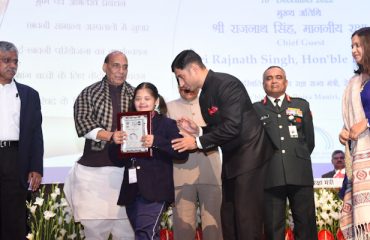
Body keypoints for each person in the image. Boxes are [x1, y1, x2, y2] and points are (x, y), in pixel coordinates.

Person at [170, 49, 274, 240]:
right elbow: (218, 129)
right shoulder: (204, 96)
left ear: (193, 68)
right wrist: (199, 131)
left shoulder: (227, 84)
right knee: (229, 217)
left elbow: (233, 126)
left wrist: (196, 142)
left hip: (250, 157)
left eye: (181, 77)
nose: (181, 84)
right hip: (232, 160)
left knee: (246, 218)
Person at [64, 51, 134, 239]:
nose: (121, 71)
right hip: (94, 174)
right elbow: (84, 124)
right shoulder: (89, 93)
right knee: (95, 232)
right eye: (116, 65)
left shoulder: (135, 94)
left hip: (126, 173)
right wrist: (111, 136)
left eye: (125, 67)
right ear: (105, 67)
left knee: (128, 232)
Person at [109, 82, 189, 240]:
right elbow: (116, 160)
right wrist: (115, 142)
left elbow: (182, 154)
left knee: (145, 234)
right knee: (146, 235)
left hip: (156, 190)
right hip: (132, 190)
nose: (142, 102)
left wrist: (156, 141)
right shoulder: (126, 123)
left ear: (156, 101)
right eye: (138, 98)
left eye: (147, 98)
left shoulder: (167, 124)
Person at [253, 66, 317, 240]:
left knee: (306, 225)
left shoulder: (301, 105)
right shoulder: (255, 109)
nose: (274, 81)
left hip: (300, 173)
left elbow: (309, 141)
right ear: (263, 84)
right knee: (273, 228)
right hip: (270, 176)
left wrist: (296, 158)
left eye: (278, 77)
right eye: (269, 78)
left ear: (286, 82)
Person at [167, 85, 223, 240]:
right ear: (177, 85)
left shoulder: (212, 107)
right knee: (183, 227)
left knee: (215, 226)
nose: (186, 86)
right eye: (181, 82)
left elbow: (222, 134)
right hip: (180, 173)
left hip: (211, 171)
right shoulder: (168, 108)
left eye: (188, 82)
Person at [0, 41, 43, 239]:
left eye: (15, 61)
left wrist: (36, 166)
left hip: (15, 159)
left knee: (14, 220)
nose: (12, 65)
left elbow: (35, 134)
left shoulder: (30, 95)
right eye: (6, 60)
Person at [339, 27, 370, 240]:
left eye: (358, 45)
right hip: (357, 154)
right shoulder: (354, 82)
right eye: (352, 46)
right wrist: (345, 130)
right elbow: (351, 121)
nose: (354, 50)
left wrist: (367, 123)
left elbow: (362, 121)